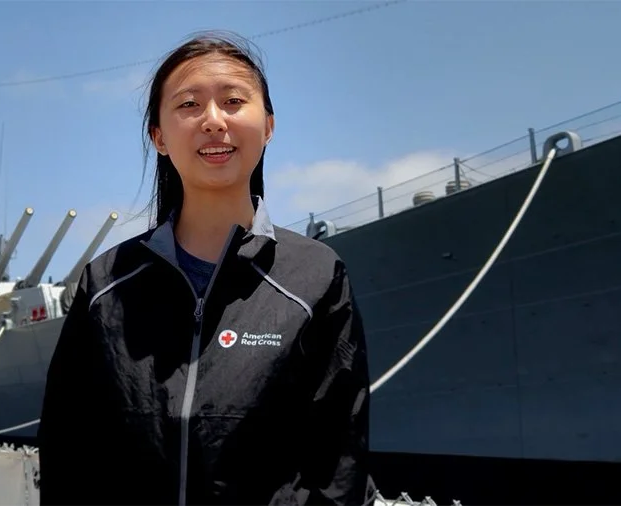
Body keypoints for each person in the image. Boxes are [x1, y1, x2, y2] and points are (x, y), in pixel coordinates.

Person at [38, 31, 377, 506]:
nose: (214, 121)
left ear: (269, 125)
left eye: (234, 101)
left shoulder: (317, 277)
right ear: (158, 136)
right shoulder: (105, 285)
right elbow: (69, 458)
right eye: (189, 105)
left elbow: (339, 467)